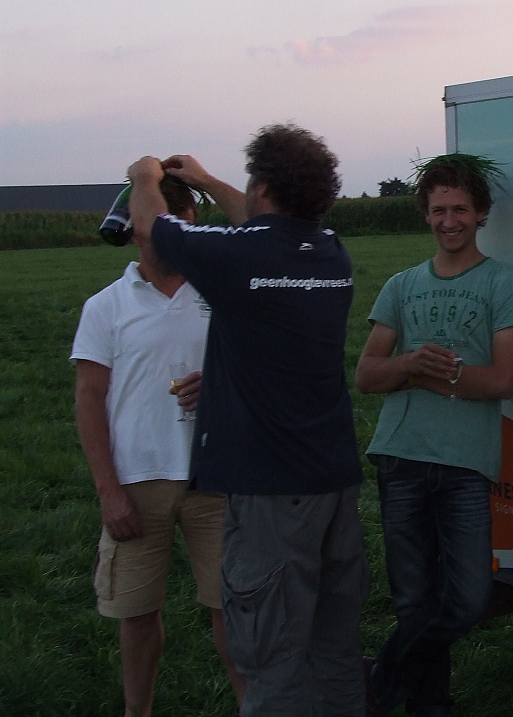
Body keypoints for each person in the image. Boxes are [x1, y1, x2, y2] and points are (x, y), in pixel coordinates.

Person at [124, 123, 368, 717]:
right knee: (334, 649)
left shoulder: (238, 258)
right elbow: (261, 227)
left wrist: (144, 175)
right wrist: (207, 180)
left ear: (262, 187)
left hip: (269, 493)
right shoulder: (329, 251)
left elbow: (151, 228)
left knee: (271, 653)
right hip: (333, 482)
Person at [355, 153, 513, 716]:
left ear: (481, 213)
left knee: (468, 599)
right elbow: (366, 375)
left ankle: (379, 679)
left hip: (465, 463)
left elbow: (502, 380)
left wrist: (431, 376)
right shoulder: (401, 285)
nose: (449, 221)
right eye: (438, 210)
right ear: (425, 215)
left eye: (460, 209)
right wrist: (411, 364)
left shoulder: (503, 284)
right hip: (401, 455)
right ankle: (429, 706)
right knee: (413, 599)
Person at [72, 177, 244, 717]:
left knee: (234, 609)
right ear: (133, 231)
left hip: (218, 477)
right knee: (136, 612)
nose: (168, 235)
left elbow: (264, 376)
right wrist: (109, 492)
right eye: (154, 224)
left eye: (179, 222)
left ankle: (254, 706)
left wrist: (220, 386)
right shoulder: (105, 306)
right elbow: (89, 399)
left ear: (194, 223)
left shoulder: (225, 293)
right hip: (137, 483)